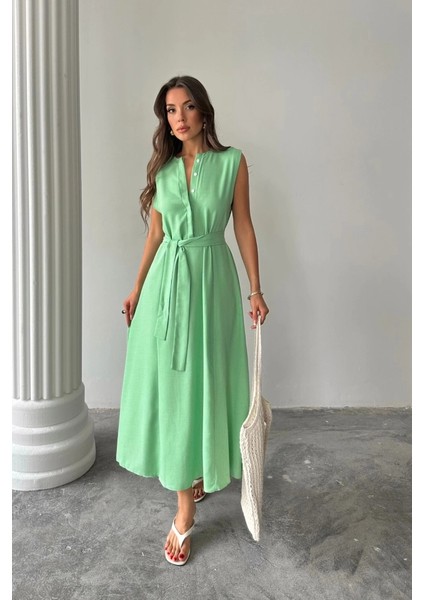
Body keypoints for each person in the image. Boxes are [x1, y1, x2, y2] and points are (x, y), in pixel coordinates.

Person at [116, 75, 269, 566]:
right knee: (176, 389)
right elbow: (156, 236)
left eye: (186, 107)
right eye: (170, 110)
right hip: (168, 286)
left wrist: (255, 288)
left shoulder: (232, 162)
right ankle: (185, 508)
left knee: (206, 378)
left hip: (213, 283)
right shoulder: (163, 171)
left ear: (204, 111)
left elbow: (243, 225)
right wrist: (137, 287)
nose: (178, 118)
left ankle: (197, 466)